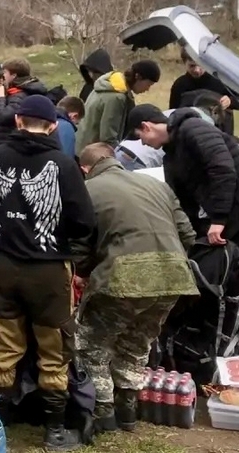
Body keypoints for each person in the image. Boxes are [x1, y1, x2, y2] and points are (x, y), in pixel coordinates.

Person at [0, 94, 97, 453]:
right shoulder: (63, 164)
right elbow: (85, 222)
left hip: (2, 265)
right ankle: (54, 430)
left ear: (18, 121)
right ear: (54, 126)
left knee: (5, 342)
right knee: (53, 345)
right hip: (47, 270)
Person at [73, 143, 199, 433]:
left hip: (124, 277)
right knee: (136, 343)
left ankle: (103, 413)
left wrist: (83, 273)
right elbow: (188, 235)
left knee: (92, 345)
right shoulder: (157, 185)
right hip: (173, 277)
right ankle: (128, 408)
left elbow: (80, 242)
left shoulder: (89, 190)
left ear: (85, 169)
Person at [126, 104, 239, 255]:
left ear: (146, 127)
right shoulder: (171, 154)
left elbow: (222, 170)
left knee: (230, 266)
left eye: (139, 137)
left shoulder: (193, 128)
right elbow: (182, 200)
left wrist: (218, 220)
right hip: (226, 216)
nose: (143, 143)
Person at [75, 60, 162, 153]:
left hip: (81, 145)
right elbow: (108, 138)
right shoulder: (116, 97)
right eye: (149, 84)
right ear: (138, 77)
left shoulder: (110, 84)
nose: (148, 89)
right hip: (90, 153)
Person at [168, 50, 239, 136]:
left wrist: (231, 101)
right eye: (192, 66)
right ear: (184, 63)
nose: (197, 70)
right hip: (191, 136)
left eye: (200, 65)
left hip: (221, 135)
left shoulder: (221, 80)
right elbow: (173, 115)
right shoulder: (180, 85)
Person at [0, 58, 50, 140]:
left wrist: (0, 98)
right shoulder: (25, 91)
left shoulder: (19, 95)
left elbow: (3, 117)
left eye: (4, 72)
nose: (2, 76)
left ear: (13, 76)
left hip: (12, 140)